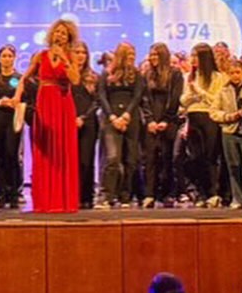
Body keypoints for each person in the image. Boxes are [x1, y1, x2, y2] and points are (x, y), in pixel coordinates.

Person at [16, 19, 80, 213]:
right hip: (44, 104)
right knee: (45, 151)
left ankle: (63, 200)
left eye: (63, 33)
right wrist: (17, 97)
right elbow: (24, 78)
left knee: (62, 151)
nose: (59, 35)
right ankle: (45, 200)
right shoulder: (40, 56)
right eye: (57, 32)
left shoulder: (71, 55)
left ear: (69, 37)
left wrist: (65, 59)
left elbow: (75, 80)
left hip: (63, 105)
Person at [97, 41, 144, 208]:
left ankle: (125, 196)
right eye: (129, 54)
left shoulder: (137, 75)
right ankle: (107, 195)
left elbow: (137, 96)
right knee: (113, 158)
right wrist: (112, 117)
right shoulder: (107, 74)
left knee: (131, 159)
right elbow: (102, 96)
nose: (132, 57)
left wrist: (126, 115)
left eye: (133, 54)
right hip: (111, 118)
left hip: (130, 118)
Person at [210, 59, 242, 209]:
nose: (235, 76)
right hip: (229, 132)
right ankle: (238, 198)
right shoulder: (223, 92)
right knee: (233, 166)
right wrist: (230, 116)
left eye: (238, 72)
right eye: (232, 73)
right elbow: (213, 112)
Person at [180, 43, 225, 207]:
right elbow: (183, 100)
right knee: (195, 156)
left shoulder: (217, 77)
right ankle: (201, 192)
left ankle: (213, 193)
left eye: (195, 56)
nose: (192, 59)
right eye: (191, 56)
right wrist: (192, 95)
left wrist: (199, 92)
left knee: (210, 156)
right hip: (193, 117)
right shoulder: (188, 77)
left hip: (209, 117)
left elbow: (216, 100)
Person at [141, 42, 183, 208]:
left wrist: (166, 119)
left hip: (169, 120)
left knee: (167, 157)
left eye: (156, 54)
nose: (152, 58)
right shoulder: (147, 75)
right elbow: (144, 100)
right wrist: (150, 120)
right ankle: (149, 194)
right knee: (150, 159)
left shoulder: (175, 74)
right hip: (151, 121)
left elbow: (175, 98)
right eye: (151, 54)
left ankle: (167, 193)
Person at [0, 44, 23, 209]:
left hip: (14, 119)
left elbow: (25, 99)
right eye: (4, 56)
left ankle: (14, 194)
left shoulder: (19, 78)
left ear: (14, 58)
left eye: (10, 56)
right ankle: (1, 194)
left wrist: (15, 103)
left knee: (12, 155)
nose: (7, 59)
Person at [72, 41, 99, 209]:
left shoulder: (93, 77)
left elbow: (97, 102)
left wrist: (83, 117)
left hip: (88, 123)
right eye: (77, 52)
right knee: (72, 161)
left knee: (86, 160)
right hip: (69, 122)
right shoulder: (66, 77)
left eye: (83, 52)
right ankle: (73, 195)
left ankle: (87, 196)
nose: (80, 55)